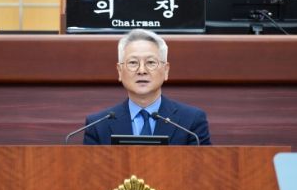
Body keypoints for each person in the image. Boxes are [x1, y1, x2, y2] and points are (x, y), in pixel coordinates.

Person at [83, 29, 211, 145]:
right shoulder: (98, 125)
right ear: (120, 71)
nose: (142, 71)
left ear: (166, 70)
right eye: (133, 62)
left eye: (150, 62)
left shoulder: (191, 122)